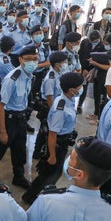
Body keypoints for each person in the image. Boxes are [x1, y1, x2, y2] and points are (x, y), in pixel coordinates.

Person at [22, 72, 83, 205]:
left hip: (63, 142)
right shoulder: (60, 108)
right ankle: (30, 197)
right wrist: (52, 155)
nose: (81, 89)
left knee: (54, 173)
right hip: (56, 145)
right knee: (48, 174)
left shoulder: (68, 99)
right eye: (79, 87)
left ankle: (43, 193)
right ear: (72, 89)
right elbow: (52, 134)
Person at [0, 45, 38, 189]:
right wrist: (3, 131)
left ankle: (18, 177)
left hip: (21, 119)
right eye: (29, 59)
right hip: (8, 120)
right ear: (20, 59)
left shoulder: (28, 77)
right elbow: (0, 106)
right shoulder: (12, 79)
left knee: (19, 151)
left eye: (35, 59)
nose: (33, 62)